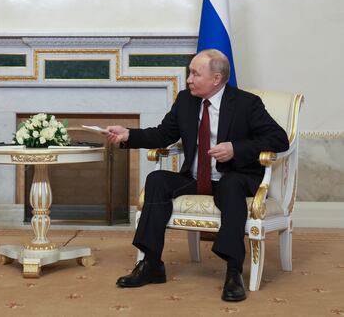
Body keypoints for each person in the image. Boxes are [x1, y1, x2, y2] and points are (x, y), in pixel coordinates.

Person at [104, 49, 289, 302]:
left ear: (216, 78)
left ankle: (233, 271)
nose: (188, 79)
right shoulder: (185, 101)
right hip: (194, 178)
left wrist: (236, 148)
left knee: (232, 185)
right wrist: (128, 135)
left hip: (233, 177)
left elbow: (278, 138)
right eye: (189, 73)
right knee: (157, 180)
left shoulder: (247, 103)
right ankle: (152, 264)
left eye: (194, 74)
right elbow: (162, 134)